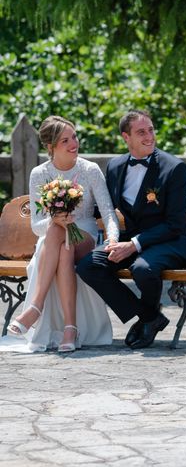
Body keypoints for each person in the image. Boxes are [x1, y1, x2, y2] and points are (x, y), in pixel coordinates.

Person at [76, 109, 186, 349]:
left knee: (143, 269)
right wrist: (70, 204)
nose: (149, 136)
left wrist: (133, 244)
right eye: (141, 132)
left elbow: (175, 224)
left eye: (151, 130)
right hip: (134, 240)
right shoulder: (115, 166)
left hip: (173, 241)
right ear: (126, 137)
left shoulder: (174, 169)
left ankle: (147, 319)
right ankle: (149, 316)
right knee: (89, 265)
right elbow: (104, 207)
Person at [2, 116, 119, 352]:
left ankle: (34, 307)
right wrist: (55, 219)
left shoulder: (90, 169)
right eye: (65, 140)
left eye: (74, 136)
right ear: (51, 146)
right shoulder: (39, 174)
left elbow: (108, 212)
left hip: (84, 233)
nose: (73, 143)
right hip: (54, 239)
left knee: (63, 237)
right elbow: (37, 226)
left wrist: (113, 238)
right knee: (60, 239)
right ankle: (70, 327)